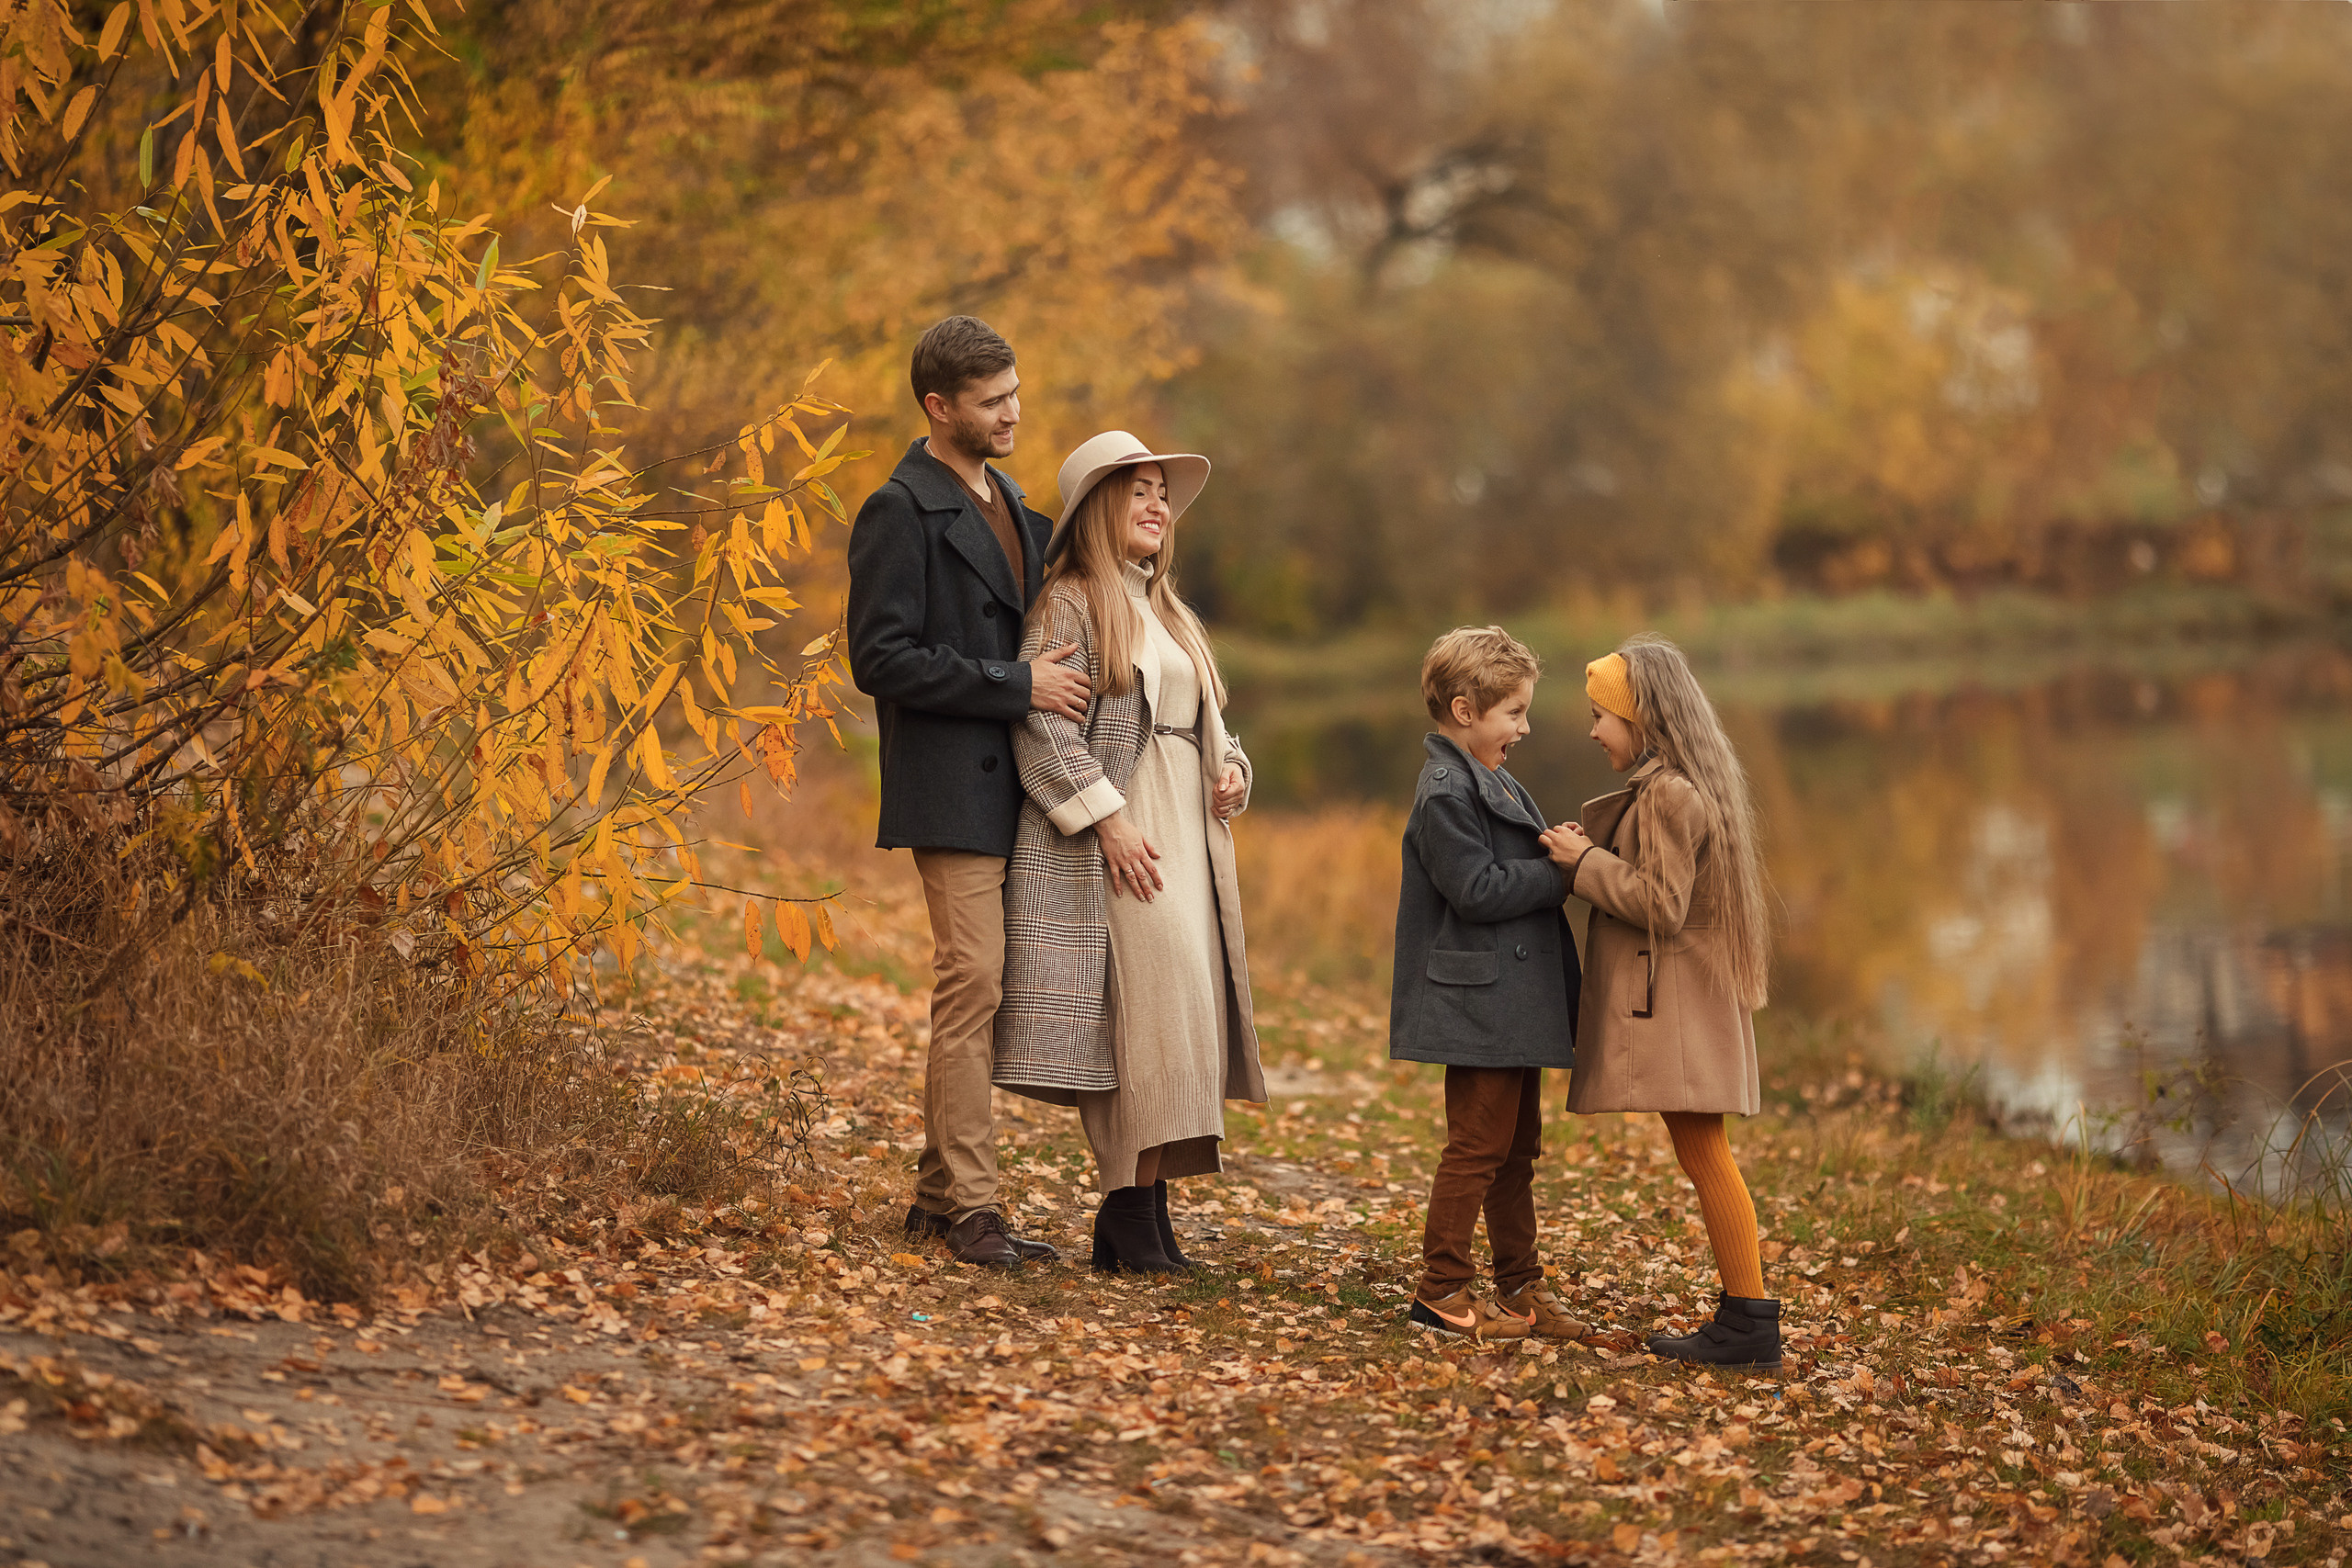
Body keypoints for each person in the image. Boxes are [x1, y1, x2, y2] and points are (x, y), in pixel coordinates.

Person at [844, 316, 1087, 1269]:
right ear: (938, 408)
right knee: (972, 983)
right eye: (991, 402)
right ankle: (973, 1214)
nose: (1011, 413)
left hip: (1012, 788)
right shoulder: (897, 510)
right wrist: (1016, 686)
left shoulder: (1014, 505)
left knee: (983, 989)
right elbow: (881, 658)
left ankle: (938, 1199)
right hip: (949, 786)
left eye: (1015, 394)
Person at [993, 431, 1265, 1273]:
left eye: (1160, 492)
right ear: (1097, 509)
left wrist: (1234, 774)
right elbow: (1040, 722)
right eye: (1136, 490)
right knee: (1139, 1016)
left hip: (1188, 828)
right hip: (1124, 828)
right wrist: (1107, 820)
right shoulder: (1071, 602)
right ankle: (1126, 1211)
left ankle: (1145, 1215)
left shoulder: (1168, 609)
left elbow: (1208, 722)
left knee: (1183, 1014)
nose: (1156, 504)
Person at [1544, 635, 1780, 1369]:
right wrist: (1600, 852)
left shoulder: (1673, 792)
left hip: (1682, 1000)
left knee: (1706, 1151)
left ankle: (1750, 1321)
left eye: (1601, 717)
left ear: (1640, 716)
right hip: (1687, 996)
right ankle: (1746, 1316)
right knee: (1701, 1150)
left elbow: (1661, 903)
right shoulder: (1673, 786)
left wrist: (1584, 863)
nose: (1592, 731)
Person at [1389, 626, 1588, 1342]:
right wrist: (1558, 874)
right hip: (1478, 1002)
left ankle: (1520, 1286)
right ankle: (1440, 1289)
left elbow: (1502, 859)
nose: (1525, 727)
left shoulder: (1491, 775)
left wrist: (1551, 843)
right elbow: (1472, 887)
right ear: (1466, 710)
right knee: (1476, 1146)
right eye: (1514, 712)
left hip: (1511, 1002)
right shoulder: (1445, 787)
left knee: (1518, 1147)